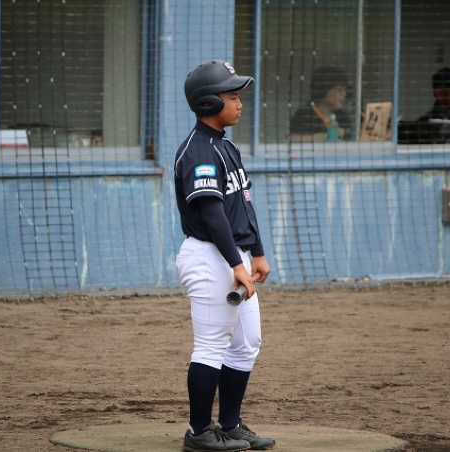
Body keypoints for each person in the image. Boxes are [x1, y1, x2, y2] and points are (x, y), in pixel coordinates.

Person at [174, 59, 275, 452]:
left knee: (247, 342)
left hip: (235, 256)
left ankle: (230, 425)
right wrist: (237, 265)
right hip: (209, 258)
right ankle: (198, 432)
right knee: (212, 344)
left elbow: (242, 202)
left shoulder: (226, 146)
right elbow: (212, 215)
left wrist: (257, 254)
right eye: (231, 96)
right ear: (207, 102)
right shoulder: (198, 150)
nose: (239, 103)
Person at [290, 66, 351, 142]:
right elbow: (293, 139)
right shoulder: (305, 114)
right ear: (324, 89)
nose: (343, 94)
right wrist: (326, 136)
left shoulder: (342, 117)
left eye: (344, 89)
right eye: (339, 89)